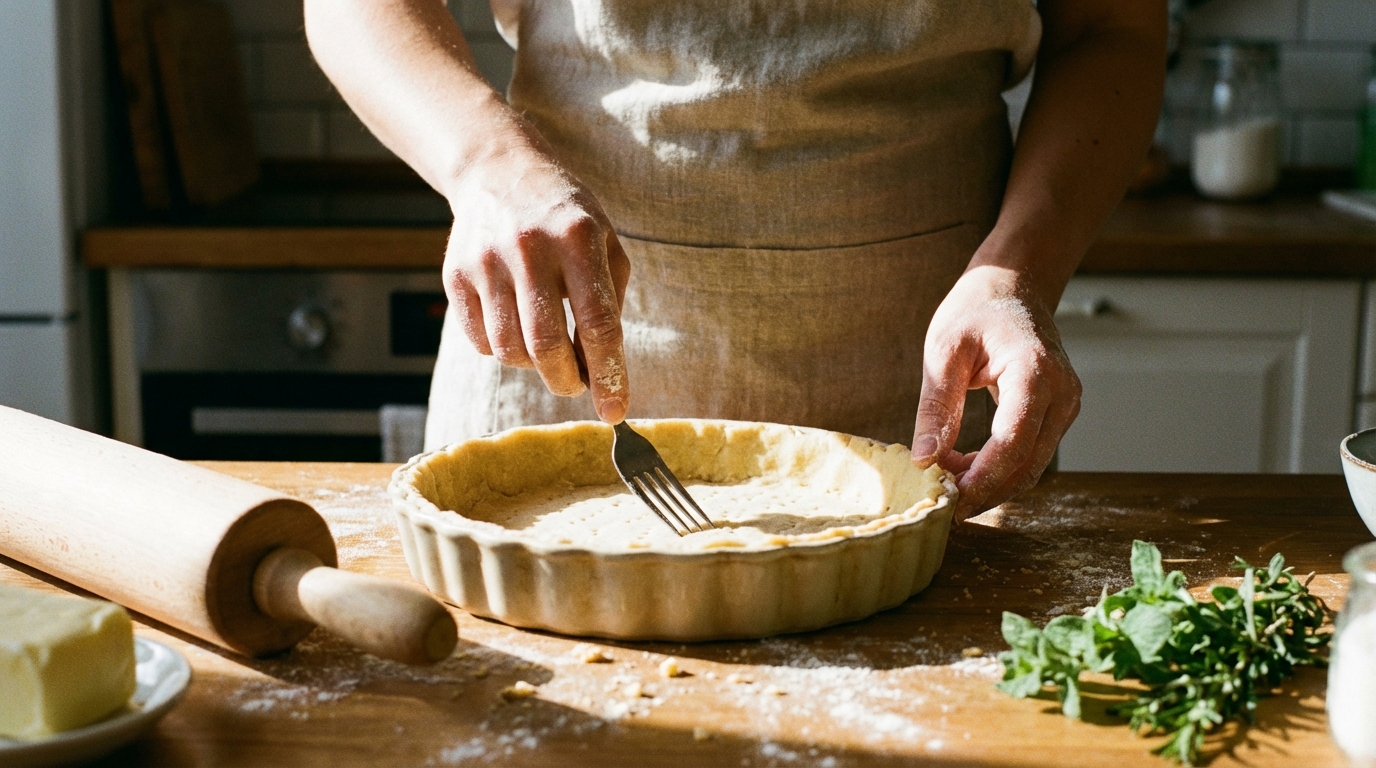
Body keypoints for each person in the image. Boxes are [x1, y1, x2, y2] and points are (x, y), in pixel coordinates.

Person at [305, 0, 1166, 520]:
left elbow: (1111, 27)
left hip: (929, 366)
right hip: (561, 319)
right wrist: (489, 167)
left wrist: (1014, 275)